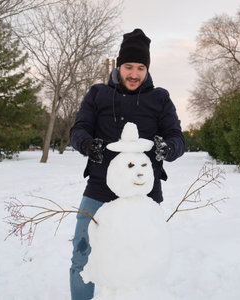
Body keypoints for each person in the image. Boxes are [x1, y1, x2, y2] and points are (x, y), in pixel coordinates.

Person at [69, 28, 185, 300]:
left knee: (142, 259)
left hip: (143, 192)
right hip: (99, 189)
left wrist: (167, 149)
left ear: (147, 69)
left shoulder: (160, 98)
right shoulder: (97, 94)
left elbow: (177, 138)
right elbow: (78, 130)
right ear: (118, 66)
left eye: (140, 67)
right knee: (82, 255)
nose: (134, 74)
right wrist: (87, 144)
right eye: (128, 66)